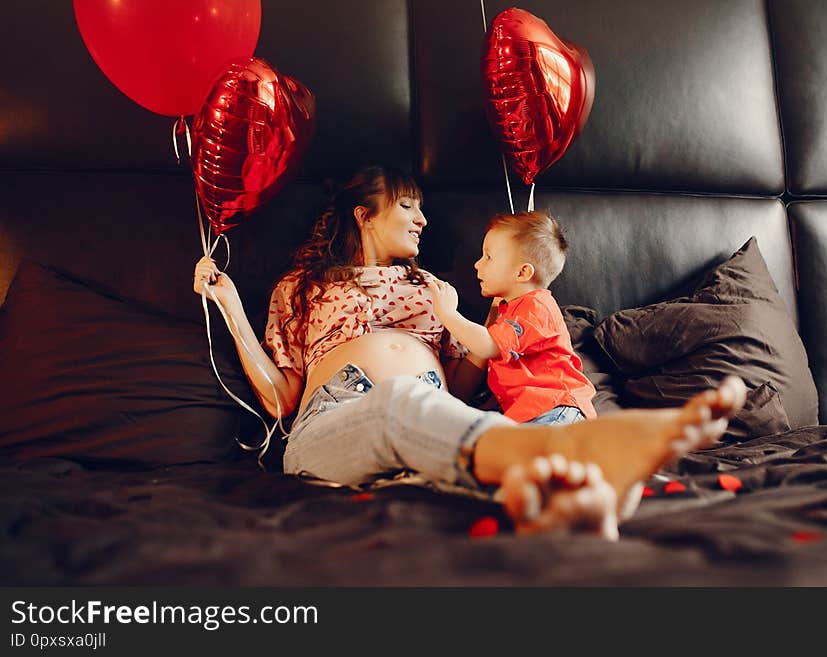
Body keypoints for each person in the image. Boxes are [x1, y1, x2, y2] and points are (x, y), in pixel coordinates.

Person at [193, 165, 746, 537]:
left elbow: (460, 387)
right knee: (397, 409)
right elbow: (281, 400)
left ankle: (565, 498)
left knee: (424, 449)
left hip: (434, 411)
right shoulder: (301, 287)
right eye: (408, 206)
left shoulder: (433, 289)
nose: (423, 219)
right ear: (363, 214)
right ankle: (577, 454)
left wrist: (478, 326)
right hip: (333, 419)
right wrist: (230, 304)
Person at [427, 210, 597, 426]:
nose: (477, 264)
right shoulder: (512, 309)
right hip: (538, 412)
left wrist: (448, 314)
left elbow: (487, 345)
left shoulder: (535, 307)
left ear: (522, 273)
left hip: (558, 406)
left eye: (488, 257)